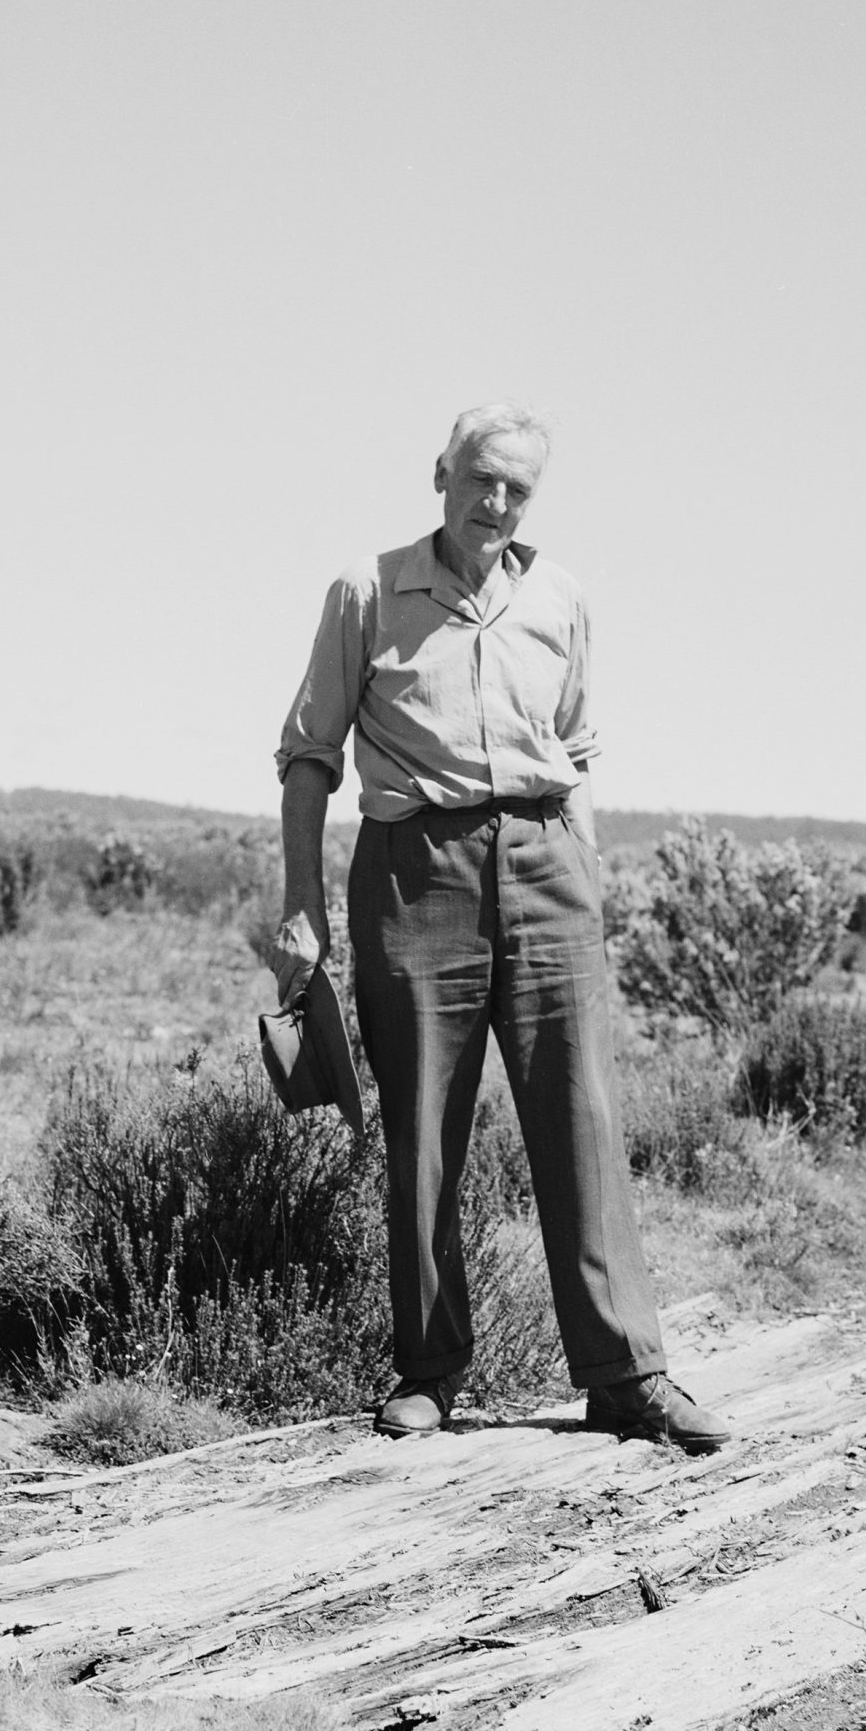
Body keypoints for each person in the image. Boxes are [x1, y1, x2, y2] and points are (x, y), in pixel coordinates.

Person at [271, 403, 734, 1452]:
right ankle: (429, 1371)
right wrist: (301, 911)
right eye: (480, 480)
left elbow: (575, 756)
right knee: (422, 1128)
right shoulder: (368, 591)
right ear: (440, 472)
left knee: (581, 1118)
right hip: (412, 870)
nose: (496, 503)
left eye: (518, 488)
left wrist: (589, 881)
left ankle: (627, 1377)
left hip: (544, 867)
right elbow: (308, 762)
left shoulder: (561, 598)